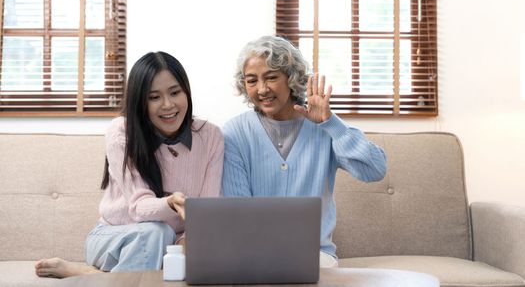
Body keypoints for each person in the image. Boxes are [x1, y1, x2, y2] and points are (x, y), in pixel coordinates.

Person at [35, 51, 224, 278]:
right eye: (154, 97)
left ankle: (89, 275)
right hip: (115, 236)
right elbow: (138, 208)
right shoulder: (122, 132)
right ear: (139, 102)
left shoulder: (211, 136)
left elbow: (205, 212)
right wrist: (172, 203)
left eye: (175, 92)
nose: (168, 104)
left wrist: (185, 245)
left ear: (186, 91)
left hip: (174, 243)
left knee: (206, 248)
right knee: (157, 232)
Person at [221, 36, 387, 268]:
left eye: (271, 77)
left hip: (315, 255)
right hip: (253, 254)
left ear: (291, 77)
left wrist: (331, 124)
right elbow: (236, 211)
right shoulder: (235, 132)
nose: (262, 89)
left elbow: (375, 169)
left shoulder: (323, 127)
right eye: (252, 81)